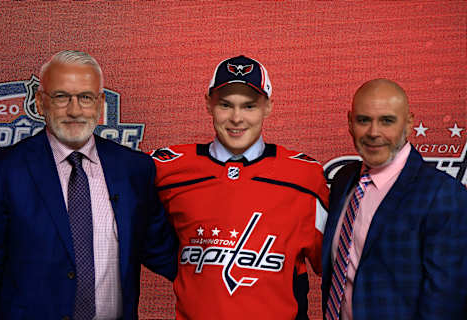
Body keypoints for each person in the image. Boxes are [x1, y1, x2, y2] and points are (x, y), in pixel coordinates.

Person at [0, 50, 177, 319]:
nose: (74, 111)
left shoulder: (135, 169)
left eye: (85, 98)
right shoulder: (2, 170)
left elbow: (164, 253)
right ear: (40, 103)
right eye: (61, 97)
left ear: (100, 104)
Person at [150, 55, 329, 319]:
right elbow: (139, 238)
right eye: (225, 105)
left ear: (268, 107)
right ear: (208, 104)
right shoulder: (167, 168)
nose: (236, 118)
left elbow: (335, 266)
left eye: (249, 106)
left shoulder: (305, 176)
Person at [321, 79, 467, 320]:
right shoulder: (343, 181)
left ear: (409, 123)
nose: (373, 132)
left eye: (387, 121)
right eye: (363, 120)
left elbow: (447, 303)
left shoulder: (443, 195)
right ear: (349, 122)